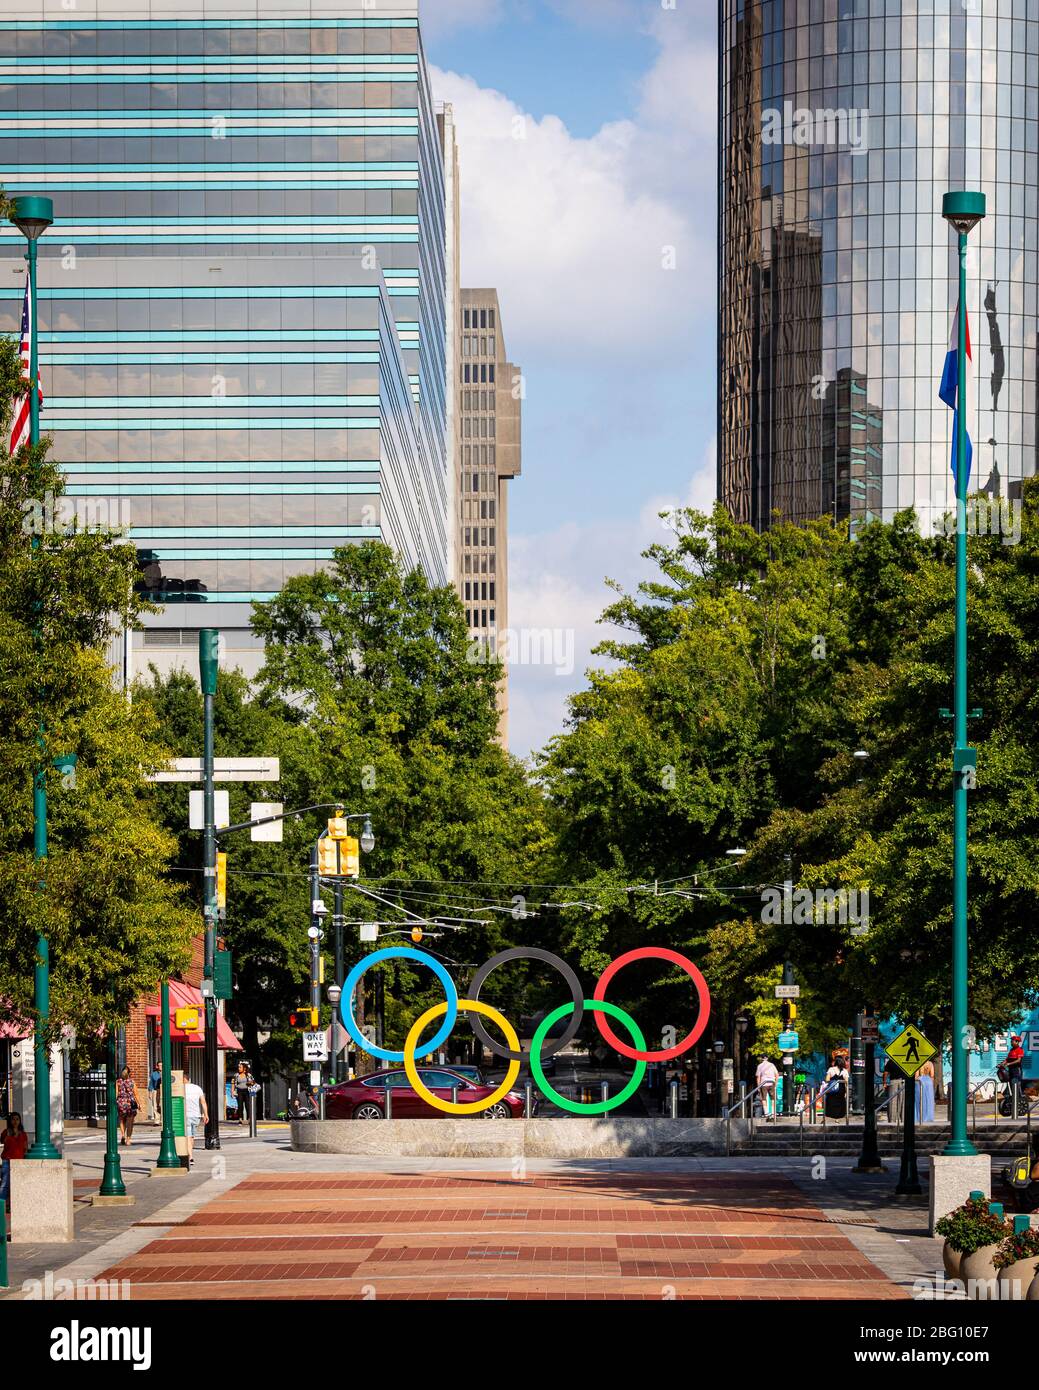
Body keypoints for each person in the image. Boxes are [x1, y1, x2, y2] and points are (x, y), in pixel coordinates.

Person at [0, 1112, 28, 1208]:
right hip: (7, 1161)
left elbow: (25, 1148)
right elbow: (2, 1141)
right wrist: (8, 1134)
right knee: (5, 1184)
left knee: (17, 1184)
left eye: (17, 1119)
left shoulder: (23, 1134)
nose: (15, 1121)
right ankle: (2, 1205)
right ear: (10, 1121)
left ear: (20, 1121)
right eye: (13, 1119)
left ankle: (15, 1205)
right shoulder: (6, 1132)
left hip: (19, 1162)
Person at [183, 1076, 208, 1166]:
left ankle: (190, 1157)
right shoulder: (197, 1088)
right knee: (192, 1136)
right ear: (189, 1079)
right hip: (196, 1116)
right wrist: (206, 1114)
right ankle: (190, 1154)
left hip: (186, 1115)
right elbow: (203, 1102)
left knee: (189, 1137)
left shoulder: (181, 1088)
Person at [116, 1066, 140, 1146]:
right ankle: (128, 1139)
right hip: (130, 1103)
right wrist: (139, 1104)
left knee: (121, 1120)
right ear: (129, 1073)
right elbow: (136, 1094)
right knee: (130, 1122)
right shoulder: (132, 1082)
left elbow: (116, 1093)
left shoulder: (118, 1082)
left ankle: (123, 1135)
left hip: (121, 1103)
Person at [821, 1052, 849, 1119]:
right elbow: (846, 1082)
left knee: (831, 1100)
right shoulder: (845, 1071)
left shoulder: (831, 1069)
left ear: (835, 1061)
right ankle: (839, 1116)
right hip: (841, 1090)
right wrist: (846, 1092)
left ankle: (832, 1114)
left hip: (832, 1089)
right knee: (841, 1101)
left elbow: (827, 1079)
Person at [1005, 1035, 1026, 1115]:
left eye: (1012, 1041)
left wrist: (1009, 1063)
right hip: (1010, 1070)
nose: (1011, 1042)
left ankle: (1020, 1102)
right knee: (1011, 1086)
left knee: (1016, 1086)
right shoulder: (1011, 1050)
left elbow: (1018, 1060)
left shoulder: (1020, 1050)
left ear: (1017, 1042)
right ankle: (1012, 1103)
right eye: (1011, 1041)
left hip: (1017, 1070)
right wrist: (1002, 1064)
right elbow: (1007, 1059)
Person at [234, 1061, 255, 1126]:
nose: (239, 1068)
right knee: (240, 1106)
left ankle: (249, 1119)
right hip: (239, 1091)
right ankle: (240, 1120)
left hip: (247, 1091)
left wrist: (252, 1092)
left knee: (247, 1106)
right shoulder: (236, 1075)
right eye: (238, 1067)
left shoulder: (249, 1075)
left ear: (244, 1068)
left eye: (240, 1067)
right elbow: (233, 1084)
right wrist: (233, 1092)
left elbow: (253, 1083)